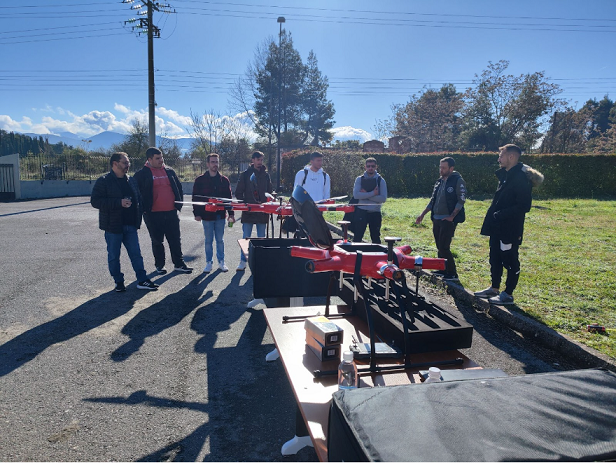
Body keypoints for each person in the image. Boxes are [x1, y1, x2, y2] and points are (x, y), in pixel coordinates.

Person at [474, 144, 544, 305]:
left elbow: (524, 206)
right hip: (497, 226)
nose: (499, 159)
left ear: (511, 157)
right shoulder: (506, 175)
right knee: (495, 257)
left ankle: (508, 294)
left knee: (510, 259)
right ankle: (494, 288)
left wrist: (501, 214)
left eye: (501, 155)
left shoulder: (520, 178)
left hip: (510, 229)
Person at [90, 152, 158, 292]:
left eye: (128, 162)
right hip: (112, 226)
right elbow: (95, 201)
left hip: (130, 224)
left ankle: (142, 280)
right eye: (125, 162)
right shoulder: (104, 181)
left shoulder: (130, 180)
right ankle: (118, 281)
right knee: (114, 256)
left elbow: (138, 198)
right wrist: (118, 203)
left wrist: (142, 209)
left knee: (136, 254)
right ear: (115, 164)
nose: (128, 165)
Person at [134, 147, 192, 275]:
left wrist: (179, 204)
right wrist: (143, 209)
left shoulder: (169, 171)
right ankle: (159, 265)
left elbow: (178, 188)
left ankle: (179, 264)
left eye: (162, 158)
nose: (161, 160)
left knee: (175, 239)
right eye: (158, 158)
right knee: (157, 241)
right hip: (153, 214)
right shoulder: (141, 174)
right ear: (149, 159)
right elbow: (135, 193)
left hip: (171, 212)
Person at [416, 157, 467, 280]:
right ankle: (442, 269)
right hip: (436, 218)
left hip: (447, 219)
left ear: (451, 168)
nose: (441, 170)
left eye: (444, 168)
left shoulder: (457, 180)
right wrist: (423, 214)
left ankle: (452, 273)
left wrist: (451, 217)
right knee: (439, 246)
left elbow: (461, 200)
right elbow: (433, 200)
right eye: (440, 167)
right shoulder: (439, 182)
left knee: (444, 246)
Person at [192, 153, 235, 273]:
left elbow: (229, 198)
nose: (215, 164)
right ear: (207, 164)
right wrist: (197, 214)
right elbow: (195, 198)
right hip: (206, 216)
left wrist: (231, 214)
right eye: (212, 162)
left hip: (220, 216)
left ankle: (221, 261)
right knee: (208, 241)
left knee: (220, 240)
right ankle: (209, 262)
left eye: (216, 162)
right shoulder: (200, 180)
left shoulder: (224, 180)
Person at [234, 151, 273, 272]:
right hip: (248, 211)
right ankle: (243, 261)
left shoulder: (266, 175)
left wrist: (270, 200)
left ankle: (260, 261)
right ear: (253, 160)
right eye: (258, 160)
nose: (260, 162)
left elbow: (270, 191)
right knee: (246, 237)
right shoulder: (245, 174)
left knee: (261, 238)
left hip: (262, 211)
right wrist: (243, 204)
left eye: (261, 160)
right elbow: (239, 192)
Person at [351, 157, 387, 244]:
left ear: (376, 167)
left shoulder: (380, 180)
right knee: (357, 236)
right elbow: (356, 195)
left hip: (375, 212)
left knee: (375, 237)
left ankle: (377, 257)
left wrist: (366, 194)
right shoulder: (359, 179)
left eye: (373, 166)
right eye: (368, 166)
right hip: (361, 211)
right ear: (365, 167)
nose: (370, 168)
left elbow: (383, 198)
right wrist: (373, 193)